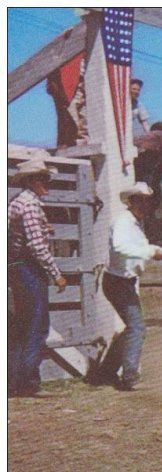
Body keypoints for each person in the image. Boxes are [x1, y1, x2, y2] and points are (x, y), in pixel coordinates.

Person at [94, 183, 162, 390]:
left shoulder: (133, 223)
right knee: (137, 328)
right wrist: (152, 253)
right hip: (118, 282)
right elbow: (120, 247)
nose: (146, 205)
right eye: (142, 200)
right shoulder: (123, 222)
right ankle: (130, 378)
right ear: (133, 201)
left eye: (148, 201)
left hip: (121, 281)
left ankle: (106, 373)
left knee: (132, 328)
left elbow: (140, 247)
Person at [8, 160, 68, 397]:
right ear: (32, 181)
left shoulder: (19, 202)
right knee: (36, 325)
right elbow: (36, 246)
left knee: (23, 325)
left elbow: (21, 234)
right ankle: (27, 382)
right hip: (28, 268)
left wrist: (44, 230)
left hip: (16, 266)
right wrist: (57, 274)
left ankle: (16, 380)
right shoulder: (30, 205)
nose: (48, 184)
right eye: (44, 179)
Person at [45, 54, 87, 148]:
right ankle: (70, 144)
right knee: (68, 116)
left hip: (81, 73)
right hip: (66, 75)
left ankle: (80, 144)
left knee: (81, 114)